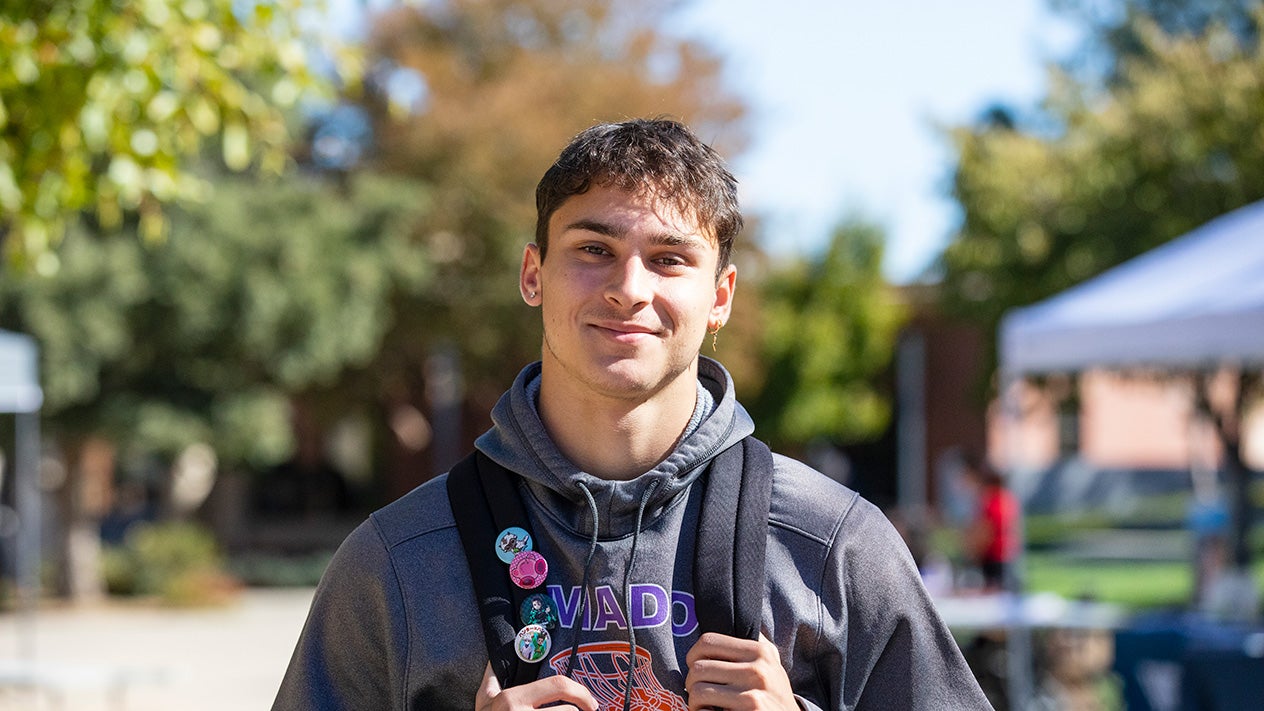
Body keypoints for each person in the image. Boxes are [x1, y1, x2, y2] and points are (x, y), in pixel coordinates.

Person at [273, 118, 991, 710]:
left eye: (671, 258)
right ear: (533, 274)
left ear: (721, 296)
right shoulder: (397, 561)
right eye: (594, 249)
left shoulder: (833, 548)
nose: (628, 288)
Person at [960, 452, 1018, 592]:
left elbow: (985, 530)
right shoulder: (1006, 497)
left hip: (993, 556)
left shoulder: (990, 499)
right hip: (1006, 554)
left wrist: (972, 551)